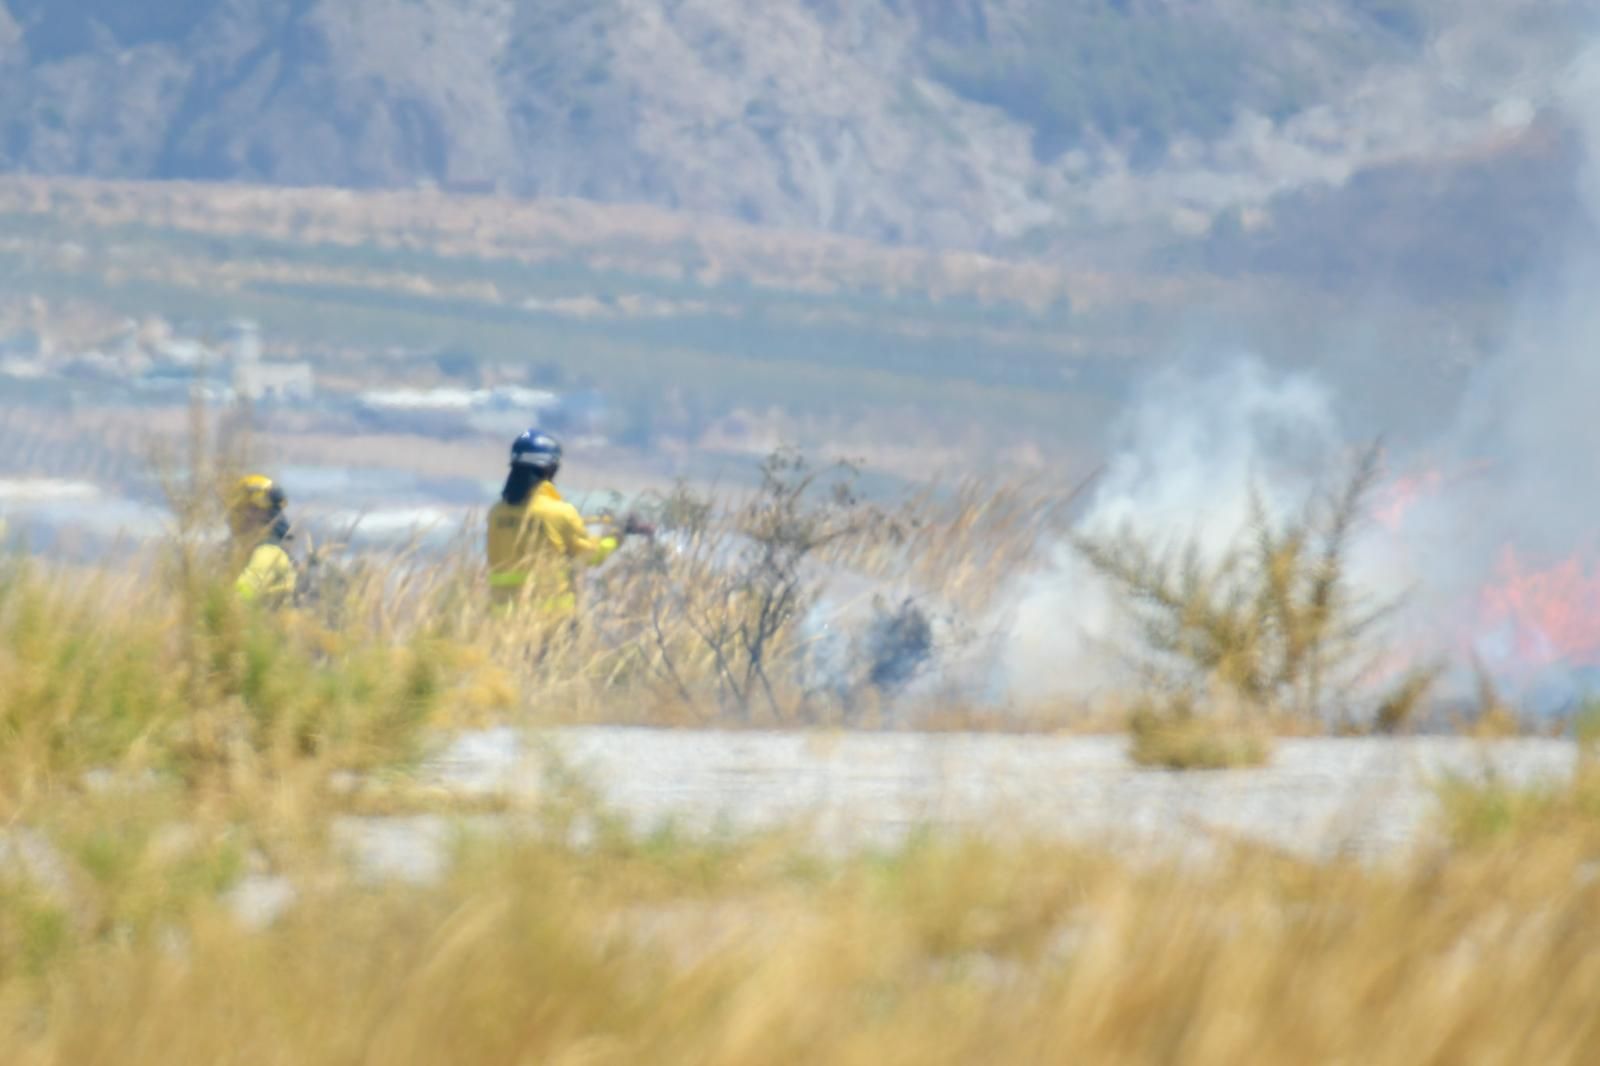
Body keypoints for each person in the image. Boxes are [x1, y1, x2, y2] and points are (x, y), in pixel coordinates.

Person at [486, 429, 650, 614]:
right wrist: (615, 537)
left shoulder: (497, 513)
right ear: (550, 468)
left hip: (502, 617)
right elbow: (589, 556)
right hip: (551, 618)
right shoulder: (560, 512)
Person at [227, 474, 297, 607]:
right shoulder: (245, 552)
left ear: (267, 515)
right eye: (239, 510)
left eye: (252, 510)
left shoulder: (268, 553)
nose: (244, 516)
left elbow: (244, 592)